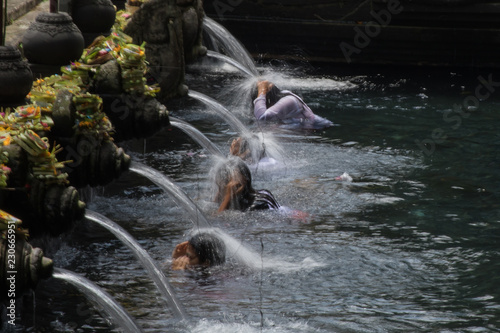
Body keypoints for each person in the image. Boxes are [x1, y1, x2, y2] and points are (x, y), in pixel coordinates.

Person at [253, 80, 333, 129]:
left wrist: (262, 91)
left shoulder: (289, 100)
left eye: (261, 101)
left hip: (320, 129)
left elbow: (262, 117)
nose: (260, 105)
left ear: (267, 98)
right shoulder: (279, 103)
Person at [213, 156, 280, 212]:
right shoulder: (264, 193)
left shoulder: (256, 206)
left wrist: (228, 196)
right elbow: (214, 206)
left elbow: (216, 220)